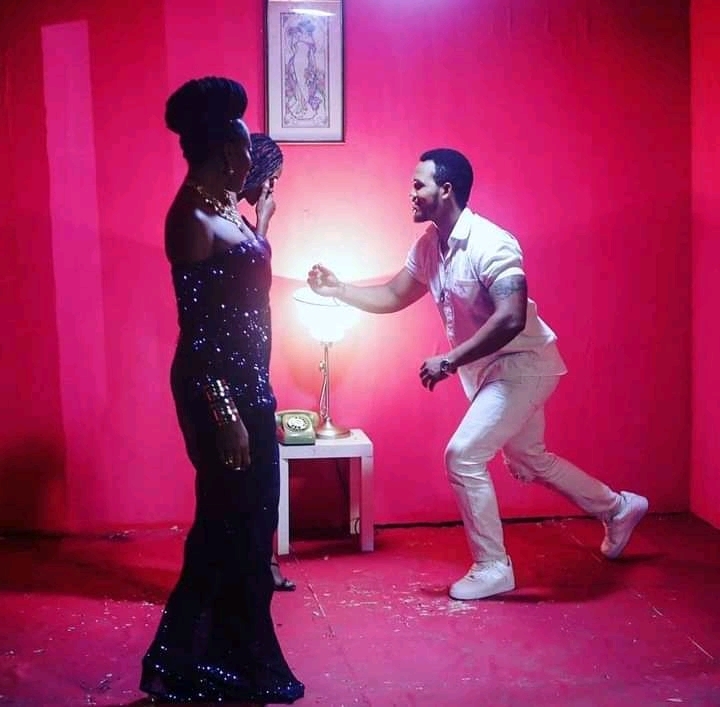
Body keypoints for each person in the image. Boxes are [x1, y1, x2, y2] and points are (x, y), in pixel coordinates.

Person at [307, 148, 648, 601]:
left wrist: (449, 361)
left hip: (524, 365)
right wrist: (340, 290)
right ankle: (618, 508)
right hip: (492, 372)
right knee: (529, 458)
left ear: (446, 190)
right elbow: (393, 295)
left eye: (419, 185)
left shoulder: (492, 242)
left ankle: (493, 567)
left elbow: (511, 318)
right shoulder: (429, 246)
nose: (411, 193)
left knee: (463, 455)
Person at [140, 77, 304, 704]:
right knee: (223, 526)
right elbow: (201, 332)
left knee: (252, 525)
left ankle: (237, 662)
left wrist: (264, 221)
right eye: (240, 144)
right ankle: (179, 664)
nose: (247, 155)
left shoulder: (227, 208)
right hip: (218, 393)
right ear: (221, 150)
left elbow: (246, 280)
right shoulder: (191, 219)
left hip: (249, 383)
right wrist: (226, 410)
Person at [236, 132, 295, 592]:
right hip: (237, 361)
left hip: (256, 355)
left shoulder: (235, 221)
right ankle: (254, 565)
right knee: (249, 473)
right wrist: (264, 224)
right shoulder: (229, 224)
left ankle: (263, 560)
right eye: (272, 176)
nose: (274, 187)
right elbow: (250, 281)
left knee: (266, 470)